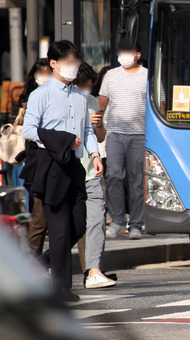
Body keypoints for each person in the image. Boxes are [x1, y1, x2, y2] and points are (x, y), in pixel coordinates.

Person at [21, 40, 103, 302]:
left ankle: (38, 265)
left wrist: (95, 154)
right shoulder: (40, 95)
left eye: (75, 62)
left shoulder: (82, 97)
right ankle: (61, 288)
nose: (73, 67)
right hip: (50, 165)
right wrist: (63, 140)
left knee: (77, 225)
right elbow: (29, 130)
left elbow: (88, 131)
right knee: (58, 228)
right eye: (68, 62)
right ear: (54, 63)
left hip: (75, 166)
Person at [74, 62, 116, 289]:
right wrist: (83, 124)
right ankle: (43, 265)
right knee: (69, 226)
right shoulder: (65, 102)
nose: (88, 90)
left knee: (97, 221)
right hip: (69, 171)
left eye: (91, 86)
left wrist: (98, 125)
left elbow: (99, 137)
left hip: (91, 171)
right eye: (85, 86)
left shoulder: (92, 102)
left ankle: (93, 271)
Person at [99, 43, 147, 240]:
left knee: (137, 181)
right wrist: (98, 120)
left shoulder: (148, 76)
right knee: (113, 175)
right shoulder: (111, 75)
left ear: (137, 54)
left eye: (128, 52)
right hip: (115, 133)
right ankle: (118, 221)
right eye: (121, 52)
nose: (124, 56)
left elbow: (159, 103)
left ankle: (136, 224)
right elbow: (102, 101)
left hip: (140, 134)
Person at [16, 58, 52, 256]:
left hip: (53, 158)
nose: (44, 75)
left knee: (48, 218)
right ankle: (33, 260)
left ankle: (45, 262)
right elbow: (25, 130)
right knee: (39, 217)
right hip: (36, 159)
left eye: (48, 71)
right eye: (41, 72)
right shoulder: (29, 98)